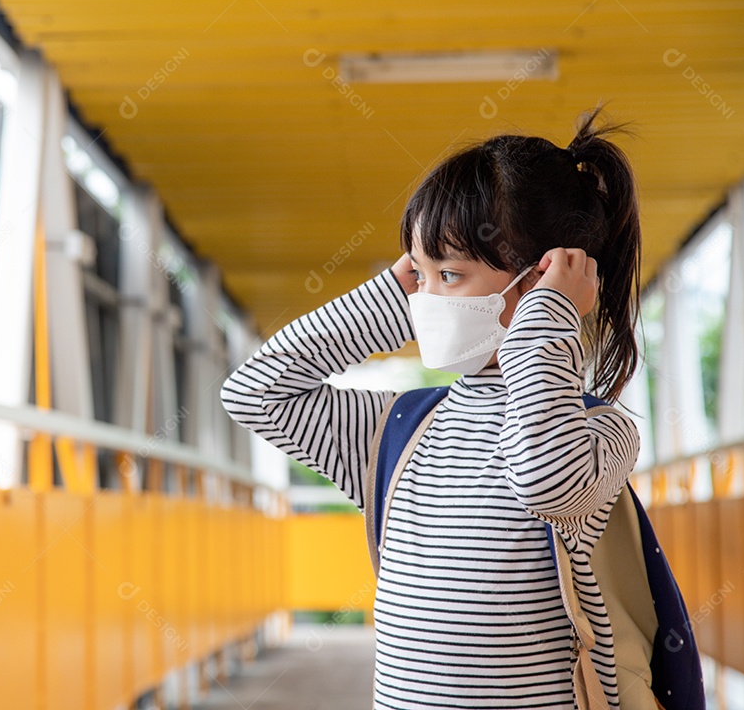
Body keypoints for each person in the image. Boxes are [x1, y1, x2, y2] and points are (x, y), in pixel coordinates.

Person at [219, 105, 644, 709]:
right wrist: (392, 301)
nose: (426, 298)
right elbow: (254, 392)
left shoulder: (601, 431)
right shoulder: (400, 427)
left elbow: (546, 481)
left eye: (448, 275)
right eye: (417, 275)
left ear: (540, 278)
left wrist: (545, 324)